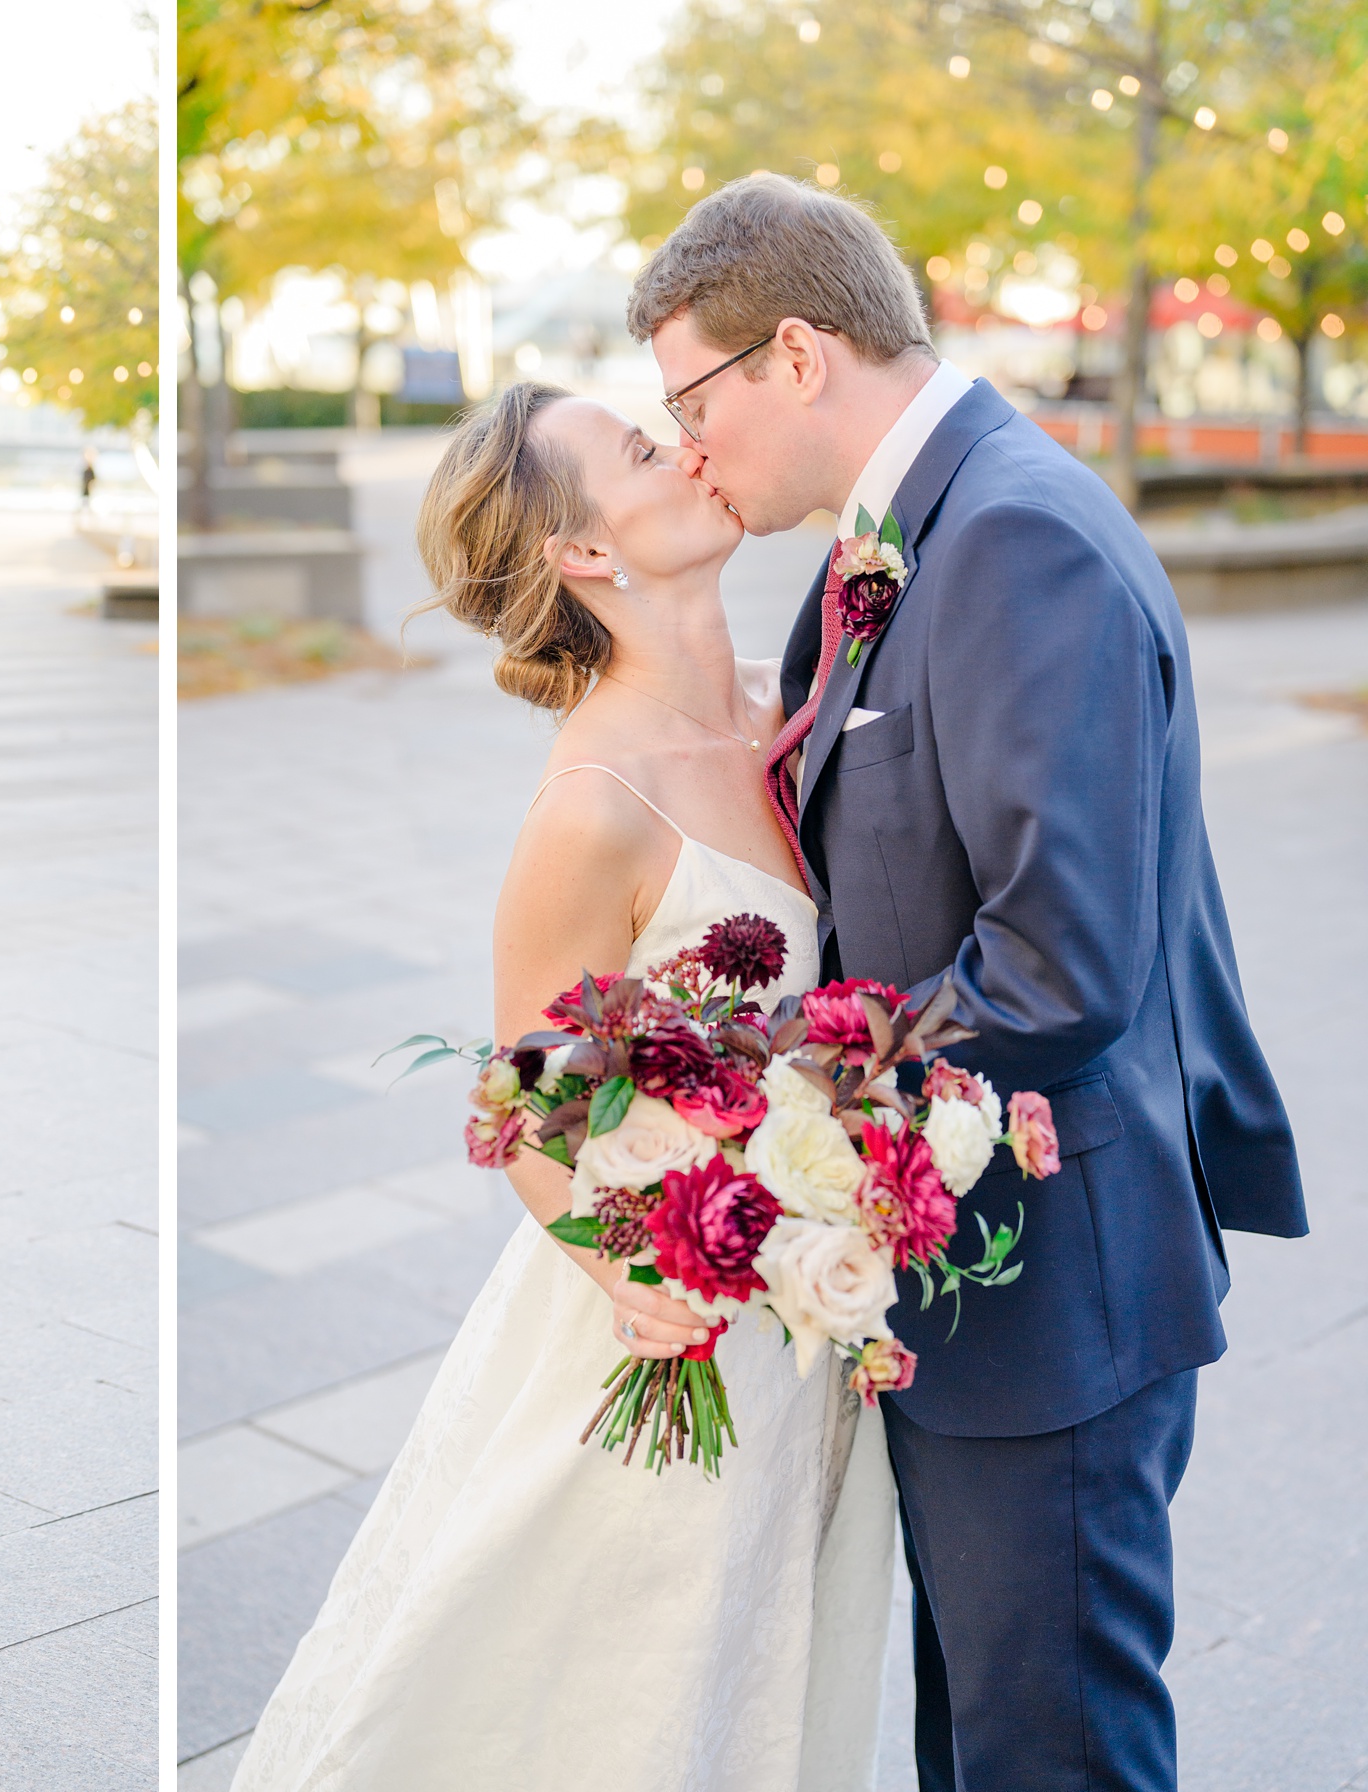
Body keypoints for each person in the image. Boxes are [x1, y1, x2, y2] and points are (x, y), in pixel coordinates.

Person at [625, 176, 1304, 1791]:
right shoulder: (919, 527)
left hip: (1050, 1291)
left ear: (798, 354)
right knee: (986, 1737)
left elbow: (1056, 959)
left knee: (1046, 1748)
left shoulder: (1007, 540)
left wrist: (775, 1095)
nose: (691, 449)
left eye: (690, 403)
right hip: (978, 1285)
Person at [232, 377, 896, 1790]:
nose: (692, 448)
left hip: (807, 1316)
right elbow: (517, 1112)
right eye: (649, 450)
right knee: (617, 1699)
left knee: (756, 1687)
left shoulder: (797, 711)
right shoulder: (595, 804)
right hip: (667, 1330)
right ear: (585, 555)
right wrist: (628, 1271)